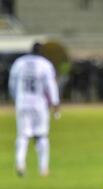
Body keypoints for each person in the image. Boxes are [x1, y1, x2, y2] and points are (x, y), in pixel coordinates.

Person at [8, 42, 60, 177]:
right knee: (41, 136)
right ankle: (43, 168)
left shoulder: (19, 63)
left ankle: (20, 163)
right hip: (39, 104)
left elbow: (12, 84)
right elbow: (51, 85)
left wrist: (16, 98)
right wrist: (55, 102)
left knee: (23, 135)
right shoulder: (45, 64)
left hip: (22, 102)